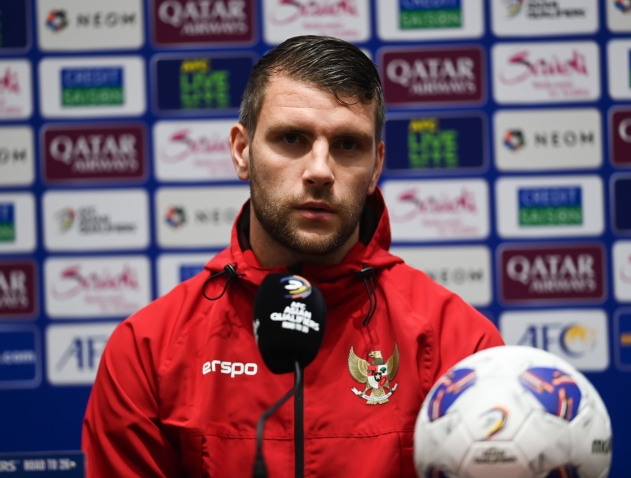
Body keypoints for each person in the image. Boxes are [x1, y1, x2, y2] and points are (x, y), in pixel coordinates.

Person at [82, 35, 504, 477]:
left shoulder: (456, 344)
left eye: (347, 145)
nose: (320, 170)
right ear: (242, 151)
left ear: (376, 167)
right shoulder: (148, 351)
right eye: (292, 138)